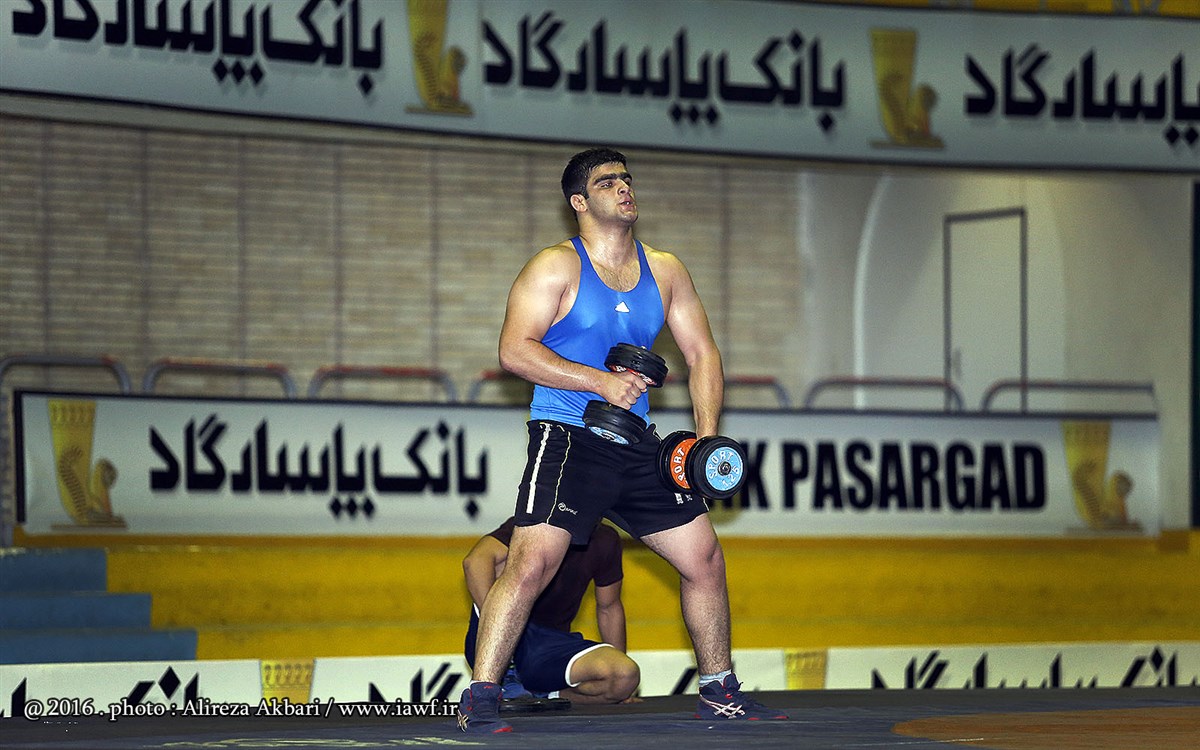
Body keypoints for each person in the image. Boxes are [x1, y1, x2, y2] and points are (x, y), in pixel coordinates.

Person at [456, 147, 787, 733]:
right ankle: (482, 697)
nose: (624, 188)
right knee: (531, 563)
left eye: (627, 179)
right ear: (579, 202)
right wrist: (599, 382)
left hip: (635, 441)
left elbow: (702, 354)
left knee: (704, 557)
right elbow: (513, 351)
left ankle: (718, 689)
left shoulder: (665, 270)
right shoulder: (555, 267)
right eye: (607, 182)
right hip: (567, 435)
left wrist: (707, 442)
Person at [462, 516, 640, 707]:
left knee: (624, 676)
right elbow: (474, 562)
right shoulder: (531, 524)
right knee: (495, 564)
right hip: (499, 637)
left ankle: (547, 696)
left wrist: (623, 691)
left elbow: (609, 607)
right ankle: (506, 672)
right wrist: (502, 626)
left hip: (549, 648)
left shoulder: (605, 539)